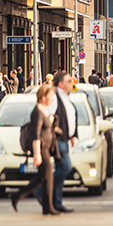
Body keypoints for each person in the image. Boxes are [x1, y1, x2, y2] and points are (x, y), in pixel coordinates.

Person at [9, 84, 60, 215]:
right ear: (43, 97)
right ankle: (48, 207)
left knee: (42, 177)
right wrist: (37, 154)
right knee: (48, 176)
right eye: (50, 96)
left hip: (46, 148)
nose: (52, 99)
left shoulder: (44, 110)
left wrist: (51, 120)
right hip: (41, 148)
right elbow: (35, 134)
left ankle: (18, 196)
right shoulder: (37, 112)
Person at [42, 72, 78, 213]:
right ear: (61, 84)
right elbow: (49, 116)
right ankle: (41, 190)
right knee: (65, 167)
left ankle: (57, 202)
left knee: (61, 168)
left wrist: (72, 135)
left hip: (65, 139)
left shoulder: (65, 96)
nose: (72, 82)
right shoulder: (55, 97)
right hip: (57, 140)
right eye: (69, 80)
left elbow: (67, 117)